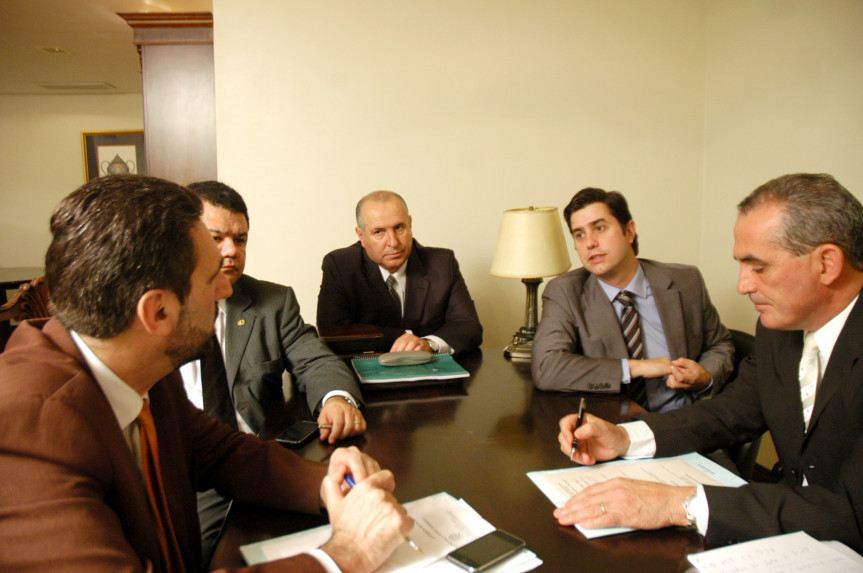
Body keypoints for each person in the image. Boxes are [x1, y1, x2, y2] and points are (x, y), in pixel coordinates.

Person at [0, 174, 412, 573]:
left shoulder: (141, 364)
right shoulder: (25, 430)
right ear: (158, 311)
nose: (226, 290)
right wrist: (343, 557)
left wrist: (328, 484)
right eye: (210, 278)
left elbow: (221, 452)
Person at [555, 173, 863, 552]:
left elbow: (852, 512)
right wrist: (625, 438)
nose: (743, 285)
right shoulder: (779, 330)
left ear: (827, 263)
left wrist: (679, 504)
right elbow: (730, 412)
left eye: (759, 267)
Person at [178, 181, 367, 566]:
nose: (231, 251)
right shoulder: (165, 316)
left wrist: (335, 398)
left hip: (258, 460)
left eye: (240, 239)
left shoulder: (272, 301)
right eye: (216, 238)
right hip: (187, 480)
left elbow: (315, 360)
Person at [531, 187, 734, 412]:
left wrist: (705, 376)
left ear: (629, 231)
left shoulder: (686, 281)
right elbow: (546, 368)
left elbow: (720, 344)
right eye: (579, 234)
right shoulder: (565, 292)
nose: (589, 243)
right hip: (614, 426)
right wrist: (635, 368)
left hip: (684, 420)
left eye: (599, 228)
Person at [317, 190, 483, 355]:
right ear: (361, 235)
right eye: (379, 232)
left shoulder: (442, 263)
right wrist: (406, 337)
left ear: (410, 224)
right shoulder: (340, 266)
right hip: (366, 367)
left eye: (399, 227)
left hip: (430, 367)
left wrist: (428, 344)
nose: (393, 242)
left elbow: (469, 326)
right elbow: (331, 332)